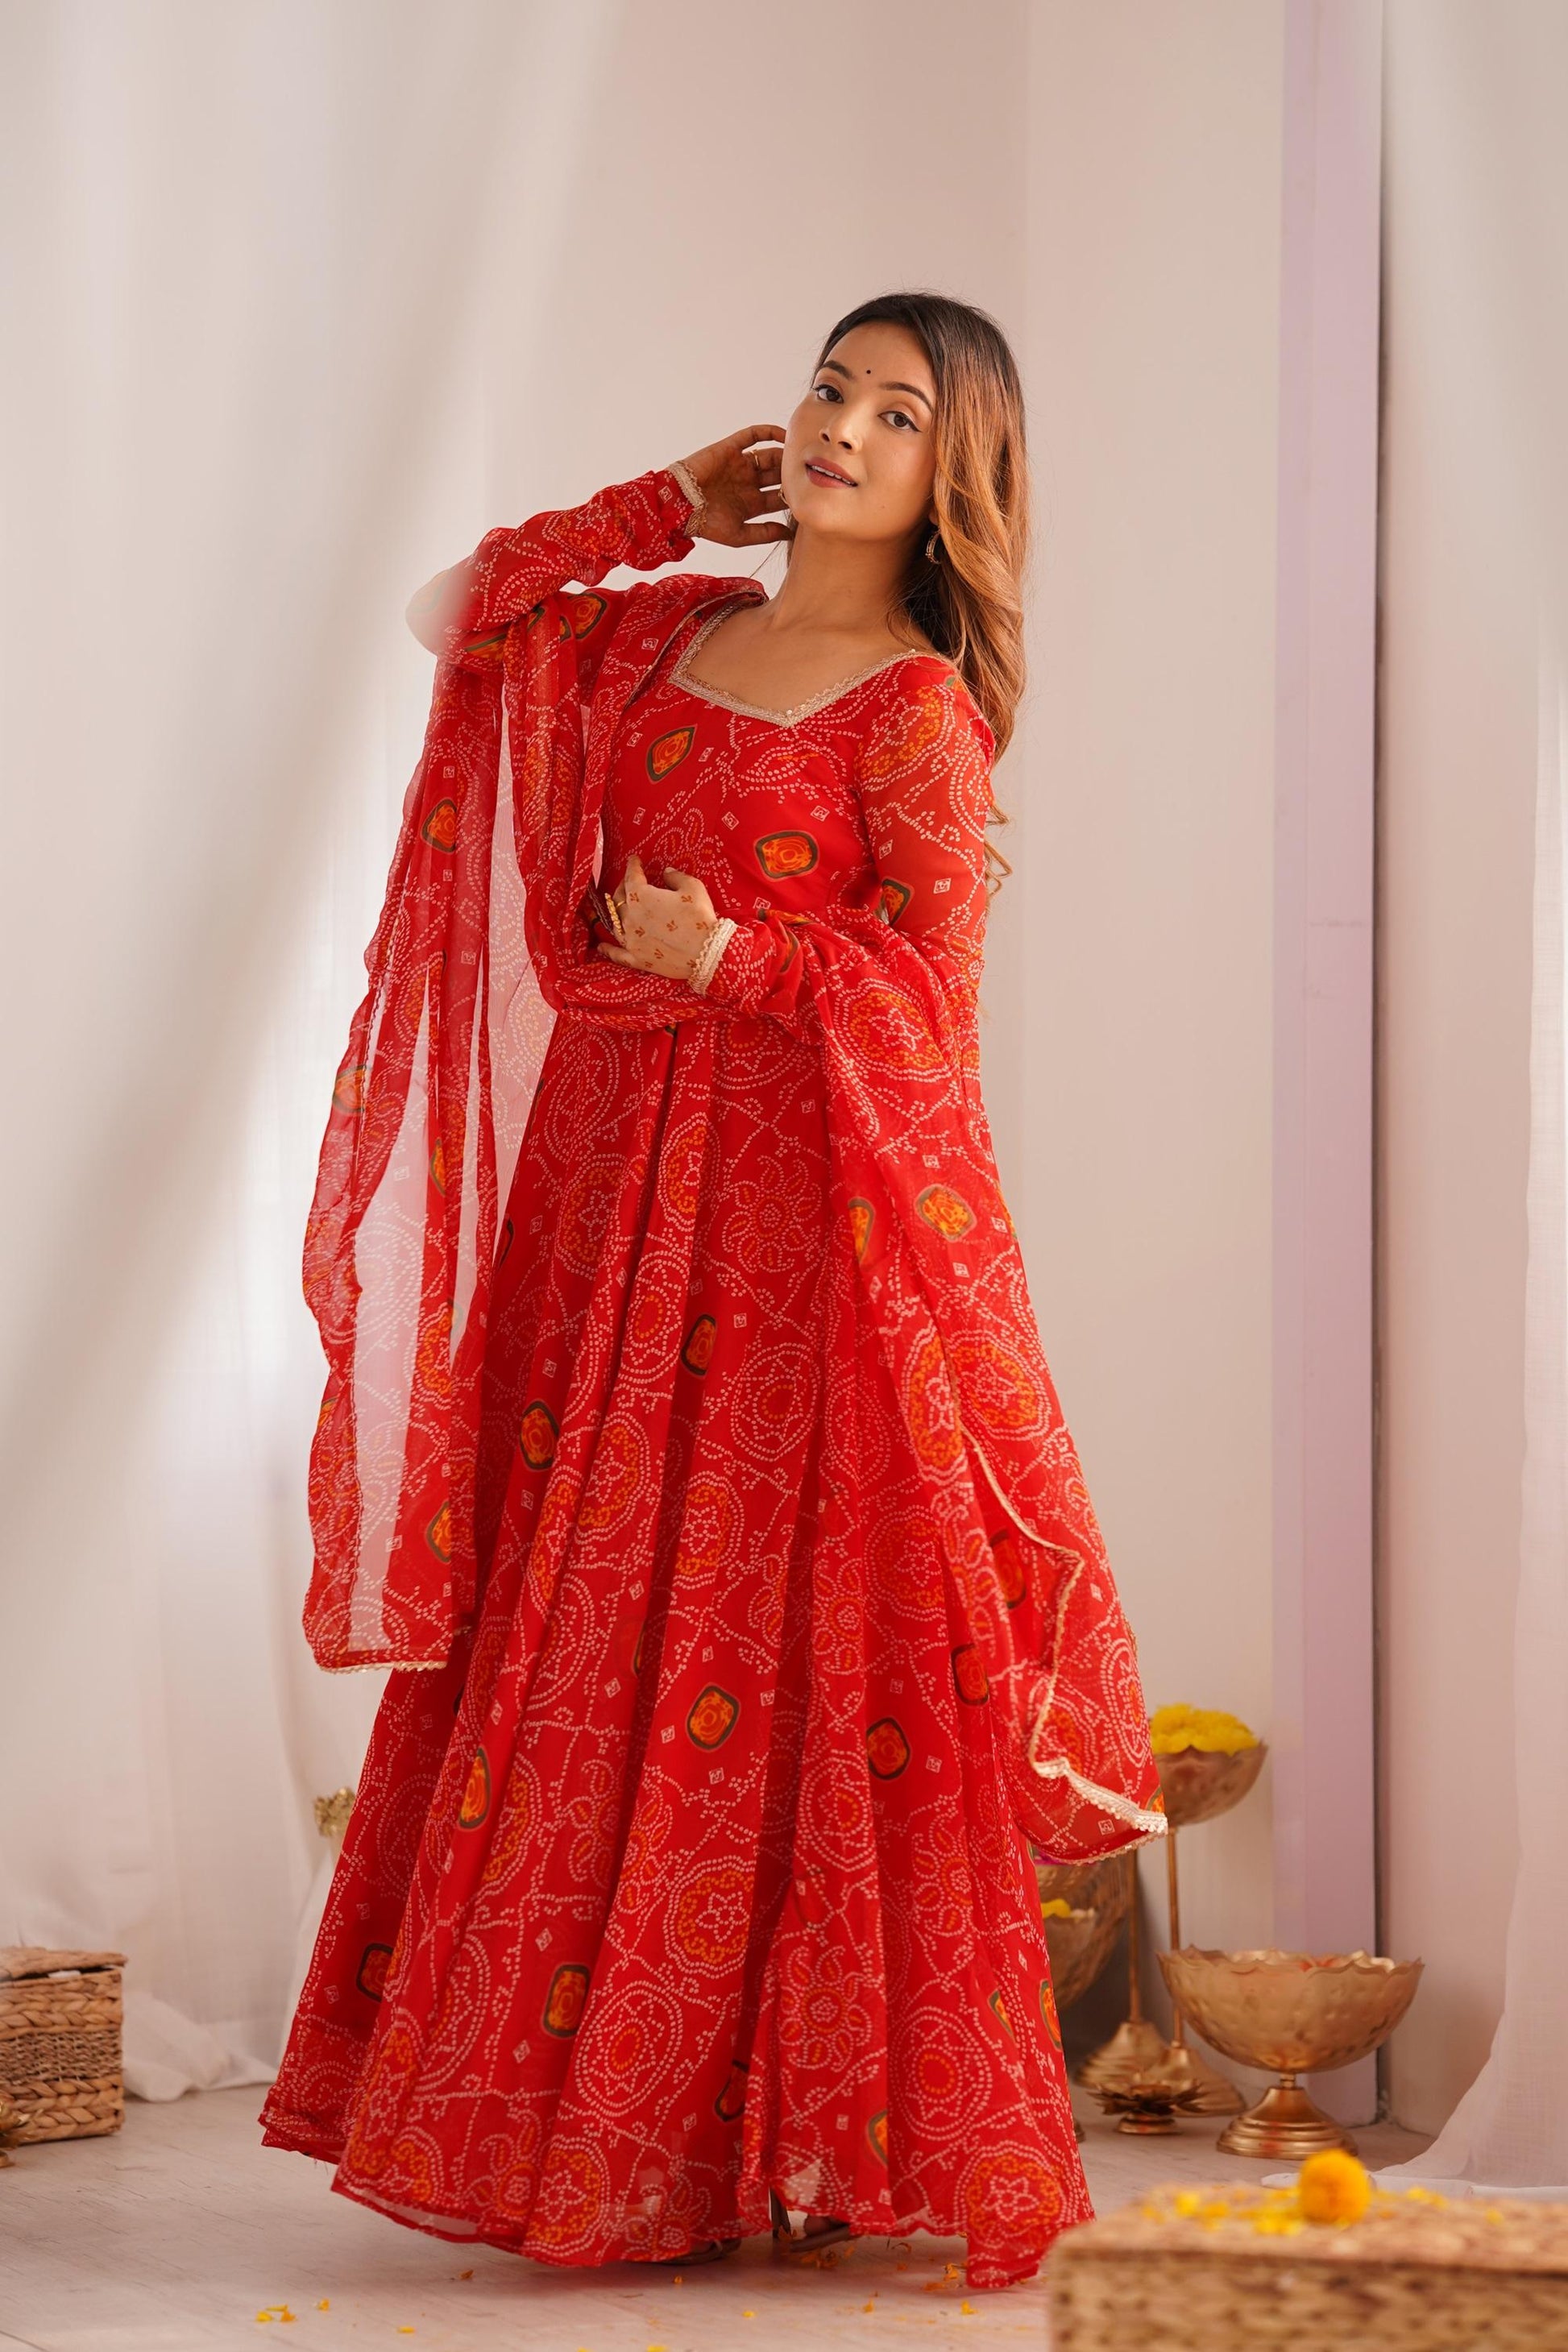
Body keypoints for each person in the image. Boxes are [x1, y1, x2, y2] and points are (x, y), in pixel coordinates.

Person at [261, 290, 1164, 2290]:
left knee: (740, 1654)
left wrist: (737, 964)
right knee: (571, 1621)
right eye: (827, 386)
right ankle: (574, 2130)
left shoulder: (918, 713)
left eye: (895, 412)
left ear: (956, 476)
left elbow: (933, 1032)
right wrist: (648, 505)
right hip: (600, 1203)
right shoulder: (661, 627)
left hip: (781, 1246)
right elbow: (446, 615)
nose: (840, 426)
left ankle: (751, 2144)